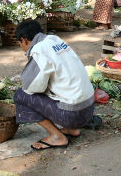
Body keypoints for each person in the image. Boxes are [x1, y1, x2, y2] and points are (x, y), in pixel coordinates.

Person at [13, 20, 94, 150]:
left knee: (20, 95)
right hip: (88, 109)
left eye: (20, 43)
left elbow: (31, 87)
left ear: (24, 40)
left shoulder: (39, 49)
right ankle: (72, 130)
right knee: (62, 88)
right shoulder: (55, 40)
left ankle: (57, 136)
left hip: (73, 115)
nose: (21, 47)